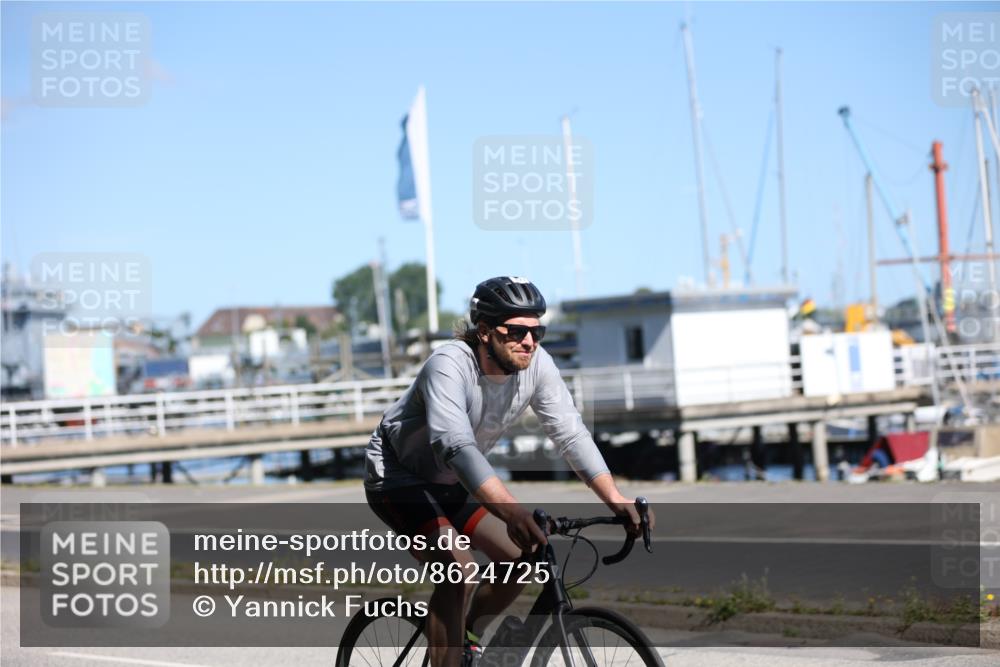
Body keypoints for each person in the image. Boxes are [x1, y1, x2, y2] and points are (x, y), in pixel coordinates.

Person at [364, 276, 654, 667]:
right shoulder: (449, 366)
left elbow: (570, 433)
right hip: (398, 476)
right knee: (458, 570)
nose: (530, 342)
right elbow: (456, 447)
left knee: (523, 553)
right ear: (484, 331)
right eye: (517, 331)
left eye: (538, 331)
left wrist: (614, 498)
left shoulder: (538, 364)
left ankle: (467, 638)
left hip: (453, 479)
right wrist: (513, 511)